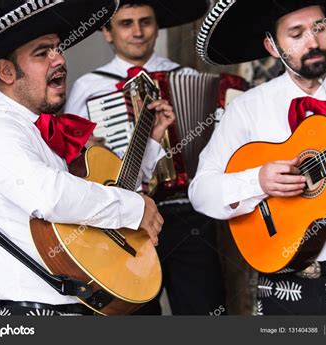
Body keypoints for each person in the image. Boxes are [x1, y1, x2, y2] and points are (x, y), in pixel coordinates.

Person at [0, 0, 177, 316]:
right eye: (42, 52)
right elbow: (50, 196)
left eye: (57, 48)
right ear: (6, 71)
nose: (59, 59)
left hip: (77, 305)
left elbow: (102, 193)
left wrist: (150, 142)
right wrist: (133, 209)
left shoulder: (42, 128)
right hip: (36, 312)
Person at [190, 0, 326, 315]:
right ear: (272, 46)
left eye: (320, 28)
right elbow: (201, 193)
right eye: (296, 33)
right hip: (279, 288)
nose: (313, 42)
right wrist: (258, 180)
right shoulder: (247, 109)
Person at [66, 0, 227, 315]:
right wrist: (91, 147)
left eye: (146, 22)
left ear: (156, 26)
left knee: (204, 311)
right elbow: (77, 162)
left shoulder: (187, 76)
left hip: (186, 213)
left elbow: (214, 149)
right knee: (136, 315)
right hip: (126, 220)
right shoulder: (88, 88)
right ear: (107, 33)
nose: (137, 32)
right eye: (126, 23)